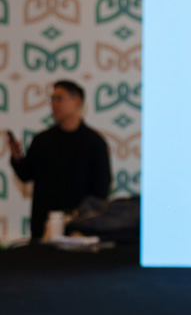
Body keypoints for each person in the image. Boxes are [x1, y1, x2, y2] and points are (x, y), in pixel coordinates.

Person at [7, 79, 112, 242]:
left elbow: (101, 190)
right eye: (52, 99)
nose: (54, 104)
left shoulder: (95, 143)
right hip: (43, 227)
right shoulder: (42, 140)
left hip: (80, 230)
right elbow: (26, 175)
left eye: (59, 98)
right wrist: (17, 158)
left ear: (77, 101)